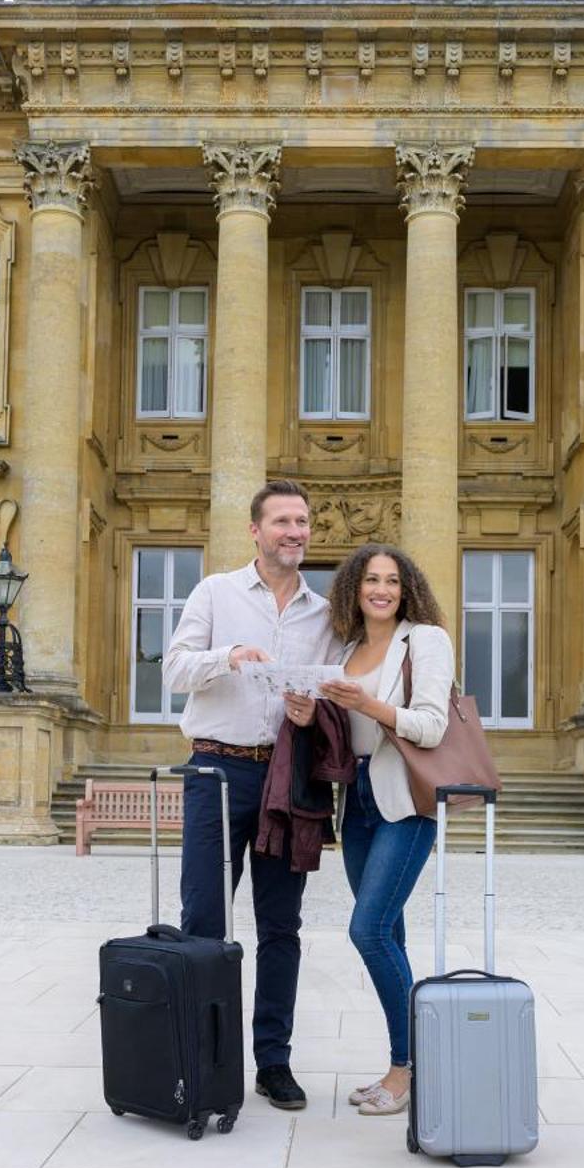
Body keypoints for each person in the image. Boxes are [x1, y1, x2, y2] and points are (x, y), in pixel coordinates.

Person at [162, 478, 339, 1111]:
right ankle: (202, 1060)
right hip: (214, 771)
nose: (296, 531)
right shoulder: (216, 592)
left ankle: (274, 1062)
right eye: (284, 521)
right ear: (255, 530)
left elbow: (335, 698)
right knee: (204, 921)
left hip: (287, 778)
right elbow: (173, 667)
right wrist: (228, 655)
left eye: (303, 521)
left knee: (281, 926)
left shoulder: (325, 615)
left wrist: (307, 712)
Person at [285, 541, 452, 1117]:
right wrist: (313, 715)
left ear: (407, 591)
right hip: (355, 800)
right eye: (371, 580)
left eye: (392, 581)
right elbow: (345, 731)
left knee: (368, 930)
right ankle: (403, 1065)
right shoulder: (349, 647)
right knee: (391, 937)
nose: (381, 590)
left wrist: (368, 702)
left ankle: (409, 1068)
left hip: (405, 801)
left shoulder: (425, 640)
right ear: (354, 588)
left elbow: (430, 726)